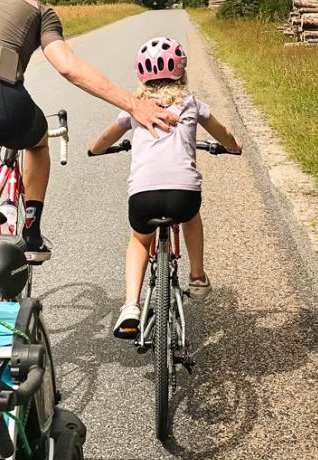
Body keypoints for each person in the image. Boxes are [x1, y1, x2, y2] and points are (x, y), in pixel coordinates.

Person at [0, 0, 178, 262]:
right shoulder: (39, 10)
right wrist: (134, 105)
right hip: (2, 102)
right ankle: (31, 234)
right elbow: (67, 66)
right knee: (37, 143)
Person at [89, 37, 242, 338]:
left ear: (140, 75)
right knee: (190, 217)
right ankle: (197, 276)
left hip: (143, 197)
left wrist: (95, 150)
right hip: (183, 196)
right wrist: (233, 146)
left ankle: (131, 306)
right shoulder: (192, 103)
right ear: (181, 73)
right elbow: (223, 134)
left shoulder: (134, 109)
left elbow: (103, 140)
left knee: (138, 240)